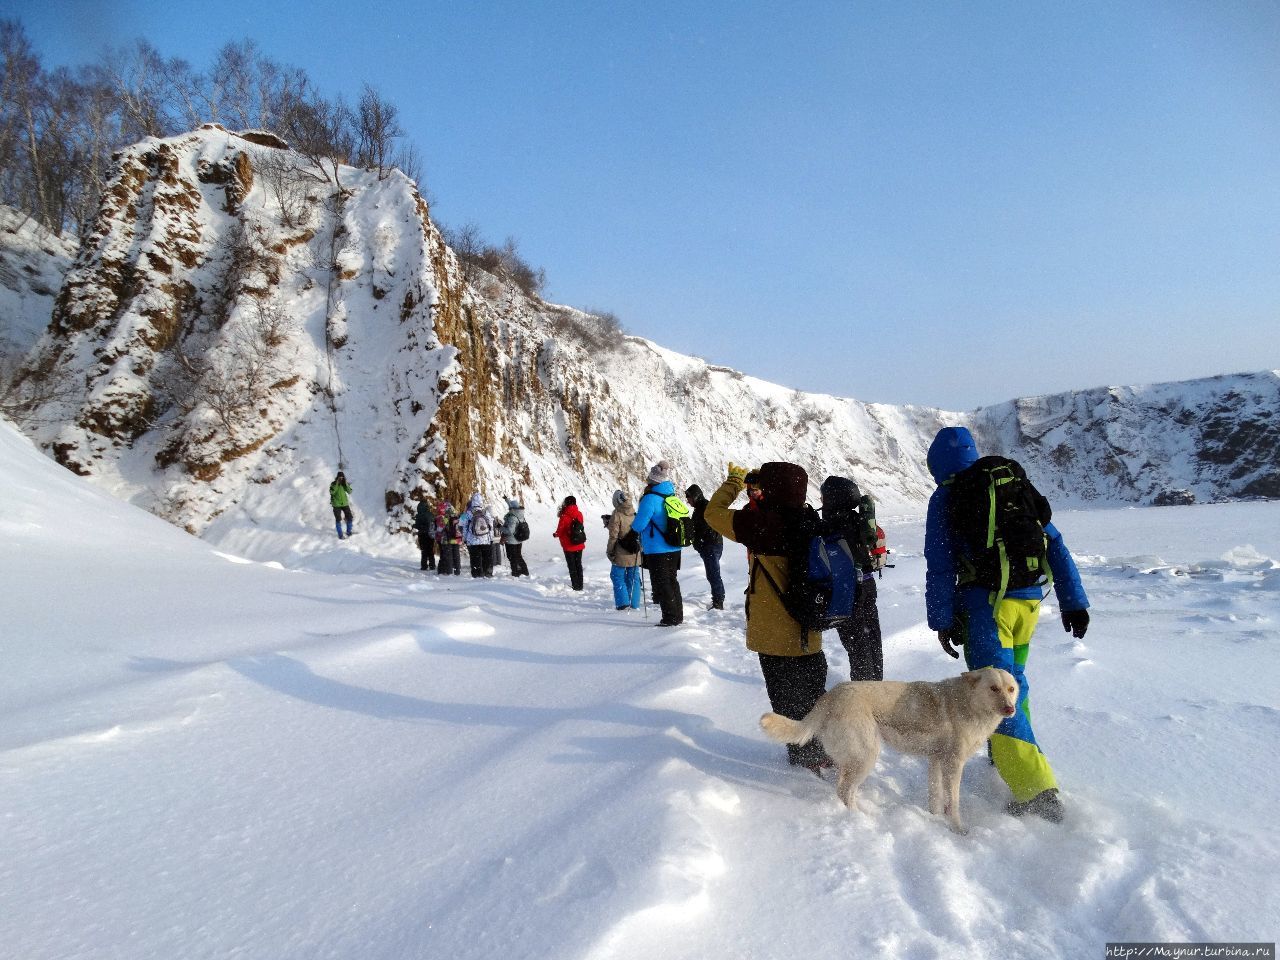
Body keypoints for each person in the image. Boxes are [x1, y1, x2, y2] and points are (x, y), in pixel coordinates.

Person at [924, 426, 1091, 824]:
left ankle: (1037, 791)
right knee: (1013, 682)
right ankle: (1004, 754)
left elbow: (940, 564)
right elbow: (1056, 543)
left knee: (992, 696)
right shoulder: (1013, 486)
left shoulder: (949, 497)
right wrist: (1074, 602)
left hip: (988, 608)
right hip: (1028, 604)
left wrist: (942, 620)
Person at [704, 461, 830, 772]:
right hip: (809, 630)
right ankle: (823, 749)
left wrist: (734, 481)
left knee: (786, 702)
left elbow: (712, 514)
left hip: (774, 634)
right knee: (816, 698)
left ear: (771, 489)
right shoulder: (811, 522)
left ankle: (803, 762)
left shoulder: (761, 525)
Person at [819, 476, 883, 681]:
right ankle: (877, 687)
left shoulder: (830, 524)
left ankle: (864, 692)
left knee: (857, 647)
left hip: (849, 590)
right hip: (868, 584)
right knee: (873, 640)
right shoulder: (859, 521)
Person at [630, 461, 684, 626]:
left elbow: (639, 525)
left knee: (663, 583)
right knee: (672, 581)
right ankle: (678, 615)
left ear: (652, 481)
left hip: (657, 549)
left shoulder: (650, 499)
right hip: (675, 546)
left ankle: (670, 618)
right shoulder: (672, 497)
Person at [685, 483, 725, 610]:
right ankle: (718, 599)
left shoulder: (706, 507)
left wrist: (698, 540)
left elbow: (706, 527)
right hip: (708, 545)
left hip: (711, 544)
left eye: (689, 498)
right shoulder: (699, 508)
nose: (688, 501)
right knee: (712, 574)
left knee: (713, 574)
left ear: (696, 496)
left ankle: (718, 601)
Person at [606, 490, 642, 610]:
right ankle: (634, 604)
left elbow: (613, 536)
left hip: (621, 551)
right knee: (634, 577)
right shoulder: (634, 513)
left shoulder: (617, 514)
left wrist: (610, 551)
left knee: (617, 576)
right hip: (634, 550)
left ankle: (623, 603)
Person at [553, 495, 586, 590]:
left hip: (568, 545)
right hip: (579, 543)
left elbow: (560, 530)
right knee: (578, 564)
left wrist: (555, 534)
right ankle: (580, 585)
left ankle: (576, 586)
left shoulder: (564, 516)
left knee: (572, 566)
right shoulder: (579, 514)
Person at [460, 493, 495, 578]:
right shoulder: (486, 512)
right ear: (481, 501)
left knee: (475, 558)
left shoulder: (468, 513)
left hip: (472, 540)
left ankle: (476, 574)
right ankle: (487, 573)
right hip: (486, 540)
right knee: (487, 557)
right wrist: (491, 538)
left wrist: (464, 539)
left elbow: (464, 527)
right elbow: (491, 526)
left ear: (472, 501)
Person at [501, 498, 530, 577]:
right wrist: (506, 499)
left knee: (512, 557)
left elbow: (510, 531)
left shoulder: (512, 517)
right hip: (518, 540)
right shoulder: (520, 514)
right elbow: (511, 504)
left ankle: (516, 573)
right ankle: (524, 571)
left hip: (511, 541)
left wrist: (500, 527)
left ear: (512, 508)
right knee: (518, 556)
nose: (509, 508)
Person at [435, 501, 462, 576]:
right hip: (456, 540)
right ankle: (457, 571)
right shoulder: (457, 518)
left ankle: (449, 572)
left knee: (448, 556)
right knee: (456, 555)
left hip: (447, 540)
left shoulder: (446, 518)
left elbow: (440, 529)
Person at [413, 498, 436, 571]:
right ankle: (432, 565)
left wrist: (415, 526)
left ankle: (424, 566)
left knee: (424, 551)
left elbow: (418, 526)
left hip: (422, 534)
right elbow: (433, 523)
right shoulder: (430, 514)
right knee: (430, 550)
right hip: (430, 534)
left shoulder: (418, 515)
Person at [330, 471, 353, 539]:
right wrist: (337, 483)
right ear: (337, 477)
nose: (341, 479)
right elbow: (332, 492)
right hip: (336, 504)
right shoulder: (333, 484)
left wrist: (345, 483)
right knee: (338, 519)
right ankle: (340, 535)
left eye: (342, 477)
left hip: (344, 504)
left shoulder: (344, 484)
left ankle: (348, 532)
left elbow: (350, 491)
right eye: (340, 477)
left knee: (349, 517)